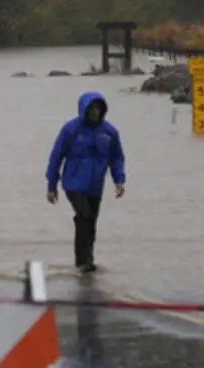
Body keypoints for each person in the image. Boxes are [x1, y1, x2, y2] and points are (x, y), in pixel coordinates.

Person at [45, 91, 126, 274]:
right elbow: (56, 157)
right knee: (84, 216)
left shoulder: (109, 132)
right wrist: (52, 186)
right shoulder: (71, 130)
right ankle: (81, 262)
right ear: (84, 109)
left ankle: (88, 259)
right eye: (92, 108)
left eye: (98, 108)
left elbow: (116, 158)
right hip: (73, 183)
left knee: (91, 221)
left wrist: (119, 180)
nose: (95, 112)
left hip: (96, 186)